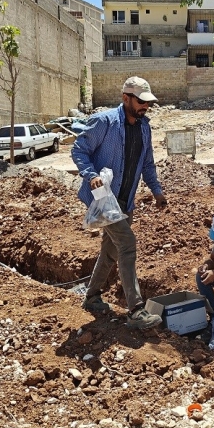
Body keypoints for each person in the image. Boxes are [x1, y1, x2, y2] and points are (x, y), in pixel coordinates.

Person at [72, 76, 167, 330]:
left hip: (125, 201)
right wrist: (91, 175)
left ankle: (92, 296)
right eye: (140, 101)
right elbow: (78, 149)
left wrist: (156, 191)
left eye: (147, 103)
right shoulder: (104, 122)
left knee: (111, 251)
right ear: (126, 98)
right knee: (127, 244)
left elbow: (147, 164)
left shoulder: (144, 127)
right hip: (103, 198)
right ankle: (136, 310)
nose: (145, 107)